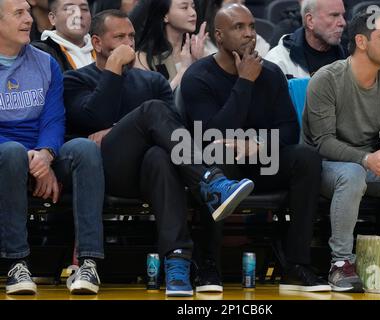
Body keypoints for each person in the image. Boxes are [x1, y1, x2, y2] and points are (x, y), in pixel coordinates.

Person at [63, 9, 254, 297]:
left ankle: (177, 263)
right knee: (152, 111)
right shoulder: (74, 80)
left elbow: (177, 135)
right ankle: (210, 181)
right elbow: (92, 118)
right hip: (105, 171)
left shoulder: (152, 82)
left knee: (161, 157)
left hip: (150, 175)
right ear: (97, 43)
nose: (128, 43)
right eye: (118, 38)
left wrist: (116, 129)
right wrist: (113, 69)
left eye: (131, 36)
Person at [182, 3, 331, 293]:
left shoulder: (272, 73)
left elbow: (289, 129)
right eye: (239, 28)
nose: (249, 34)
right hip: (220, 168)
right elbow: (210, 136)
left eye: (251, 26)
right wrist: (245, 82)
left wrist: (258, 144)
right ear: (219, 36)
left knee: (306, 158)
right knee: (220, 155)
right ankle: (209, 264)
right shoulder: (198, 77)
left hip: (263, 161)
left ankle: (296, 265)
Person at [302, 10, 380, 293]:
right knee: (352, 174)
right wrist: (365, 159)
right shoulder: (327, 79)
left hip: (367, 164)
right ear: (361, 41)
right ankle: (340, 264)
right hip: (325, 167)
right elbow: (323, 142)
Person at [0, 0, 104, 295]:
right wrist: (31, 157)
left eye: (27, 13)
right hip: (6, 152)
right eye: (18, 14)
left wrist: (46, 154)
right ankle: (16, 263)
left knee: (85, 149)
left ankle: (88, 262)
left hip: (42, 150)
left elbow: (54, 118)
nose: (28, 20)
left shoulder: (45, 62)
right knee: (11, 153)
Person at [131, 0, 208, 90]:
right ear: (165, 16)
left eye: (193, 7)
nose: (193, 13)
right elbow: (153, 101)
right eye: (184, 7)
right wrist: (184, 69)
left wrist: (198, 62)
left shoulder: (198, 52)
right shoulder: (143, 58)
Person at [265, 0, 347, 79]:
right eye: (334, 15)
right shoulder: (279, 61)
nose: (343, 23)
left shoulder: (351, 54)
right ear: (310, 20)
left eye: (343, 16)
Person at [32, 0, 95, 72]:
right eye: (70, 9)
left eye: (84, 9)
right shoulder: (39, 53)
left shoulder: (102, 48)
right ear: (52, 18)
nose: (79, 15)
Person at [199, 0, 270, 57]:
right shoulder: (200, 45)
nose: (240, 8)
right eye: (233, 4)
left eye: (242, 3)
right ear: (216, 8)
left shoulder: (256, 40)